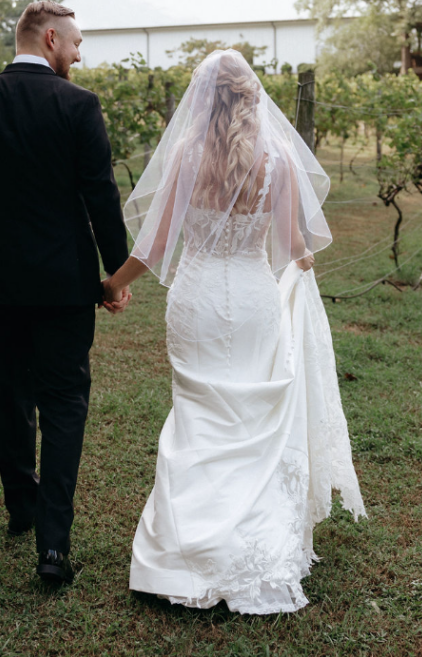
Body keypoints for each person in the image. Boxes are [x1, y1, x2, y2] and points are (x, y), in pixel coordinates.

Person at [103, 49, 366, 614]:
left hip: (196, 300)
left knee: (198, 416)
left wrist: (111, 284)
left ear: (202, 97)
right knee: (250, 418)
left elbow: (152, 249)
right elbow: (295, 250)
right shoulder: (278, 160)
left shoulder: (186, 152)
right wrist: (298, 269)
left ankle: (183, 549)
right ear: (252, 96)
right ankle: (252, 541)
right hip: (253, 302)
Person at [0, 0, 131, 585]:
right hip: (68, 284)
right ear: (51, 38)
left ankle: (21, 508)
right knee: (66, 404)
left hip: (2, 282)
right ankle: (54, 547)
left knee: (13, 392)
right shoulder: (79, 105)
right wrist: (116, 276)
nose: (79, 53)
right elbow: (101, 196)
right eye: (75, 43)